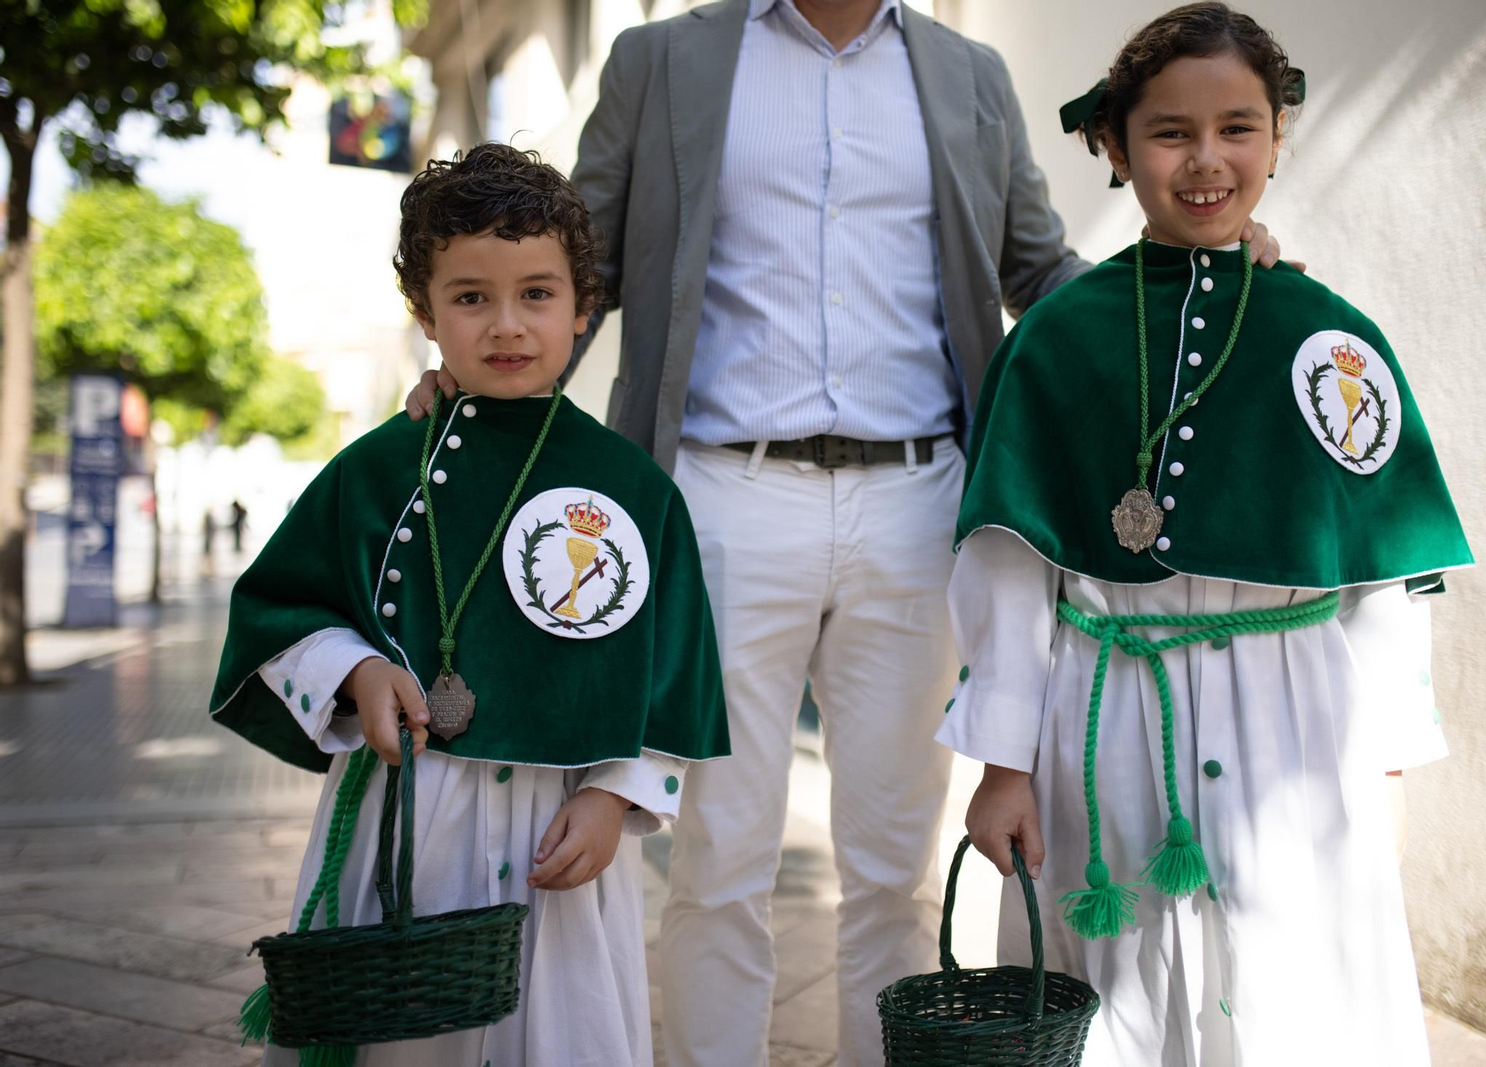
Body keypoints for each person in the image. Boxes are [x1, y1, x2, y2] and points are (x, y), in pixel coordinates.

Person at [406, 4, 1292, 1063]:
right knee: (719, 856)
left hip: (919, 501)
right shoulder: (661, 60)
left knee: (892, 861)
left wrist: (1207, 271)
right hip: (719, 496)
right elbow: (570, 269)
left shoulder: (967, 73)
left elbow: (1036, 271)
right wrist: (478, 373)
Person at [945, 4, 1473, 1064]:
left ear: (1277, 136)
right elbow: (1009, 567)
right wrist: (1004, 761)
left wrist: (1384, 761)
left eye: (1237, 127)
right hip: (1109, 716)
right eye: (1169, 132)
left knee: (1290, 984)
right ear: (1113, 143)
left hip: (1297, 719)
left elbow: (1381, 573)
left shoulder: (1331, 336)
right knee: (1124, 982)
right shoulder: (1053, 340)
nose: (1205, 160)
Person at [209, 143, 729, 1065]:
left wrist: (614, 797)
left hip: (559, 831)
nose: (507, 325)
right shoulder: (377, 467)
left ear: (583, 307)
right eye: (470, 297)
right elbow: (278, 612)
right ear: (426, 313)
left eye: (537, 293)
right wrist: (358, 670)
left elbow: (676, 670)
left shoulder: (634, 489)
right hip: (407, 813)